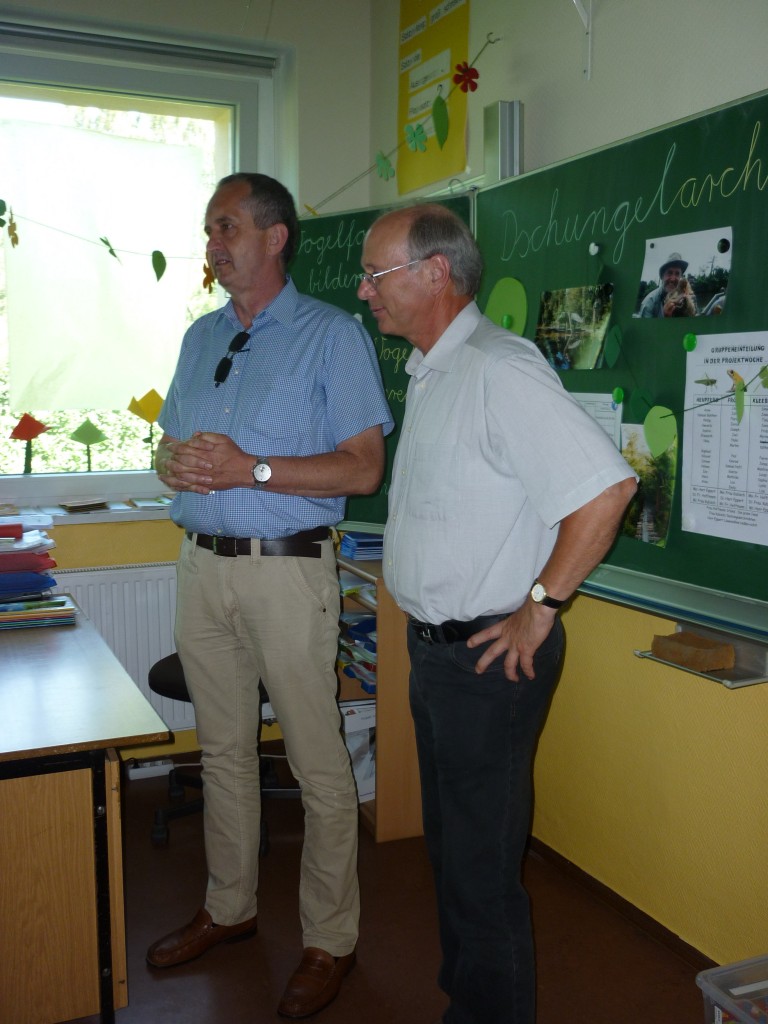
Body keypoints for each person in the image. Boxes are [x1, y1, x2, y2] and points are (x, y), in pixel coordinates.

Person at [357, 204, 637, 1024]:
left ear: (434, 274)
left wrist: (540, 607)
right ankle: (469, 1000)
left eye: (376, 274)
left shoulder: (498, 368)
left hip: (490, 659)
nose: (364, 291)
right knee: (452, 852)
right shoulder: (435, 370)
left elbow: (607, 490)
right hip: (440, 654)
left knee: (480, 868)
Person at [148, 172, 393, 1019]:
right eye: (209, 231)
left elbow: (364, 467)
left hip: (287, 571)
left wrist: (249, 467)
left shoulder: (333, 335)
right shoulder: (198, 336)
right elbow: (172, 447)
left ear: (275, 236)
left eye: (226, 228)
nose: (213, 246)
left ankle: (330, 939)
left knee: (317, 764)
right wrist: (170, 464)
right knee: (220, 753)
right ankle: (230, 909)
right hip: (202, 567)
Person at [639, 251, 697, 317]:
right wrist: (665, 317)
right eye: (669, 273)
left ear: (681, 277)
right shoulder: (649, 303)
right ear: (662, 276)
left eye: (677, 274)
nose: (672, 279)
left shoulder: (690, 298)